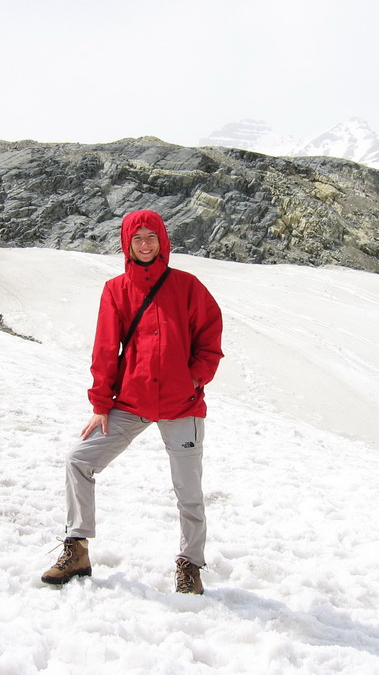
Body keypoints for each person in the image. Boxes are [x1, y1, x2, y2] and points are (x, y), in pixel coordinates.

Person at [41, 210, 224, 594]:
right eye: (137, 237)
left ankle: (190, 565)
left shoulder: (187, 286)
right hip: (131, 401)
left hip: (181, 404)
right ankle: (77, 549)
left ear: (162, 241)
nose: (144, 244)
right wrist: (100, 404)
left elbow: (210, 335)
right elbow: (106, 348)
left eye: (151, 237)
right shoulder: (116, 289)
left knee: (189, 492)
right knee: (79, 460)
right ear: (127, 243)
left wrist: (194, 377)